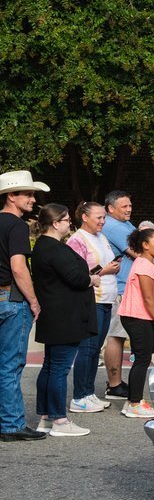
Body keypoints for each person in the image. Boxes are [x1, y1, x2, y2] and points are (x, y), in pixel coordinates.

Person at [30, 204, 97, 437]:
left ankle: (46, 416)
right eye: (67, 220)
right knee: (58, 368)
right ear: (56, 223)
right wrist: (93, 279)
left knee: (50, 366)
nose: (70, 223)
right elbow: (76, 278)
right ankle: (59, 419)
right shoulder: (54, 248)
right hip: (65, 315)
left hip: (54, 313)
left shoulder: (42, 247)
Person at [0, 170, 49, 442]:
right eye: (27, 194)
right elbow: (19, 268)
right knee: (9, 365)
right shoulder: (16, 226)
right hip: (11, 299)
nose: (32, 199)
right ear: (11, 196)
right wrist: (34, 301)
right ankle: (11, 425)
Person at [66, 202, 120, 413]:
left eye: (104, 217)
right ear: (84, 217)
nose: (102, 221)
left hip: (106, 298)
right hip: (91, 299)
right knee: (87, 349)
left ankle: (89, 392)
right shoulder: (77, 240)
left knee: (96, 348)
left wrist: (112, 267)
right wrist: (104, 270)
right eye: (98, 217)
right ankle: (79, 396)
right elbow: (77, 272)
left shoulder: (102, 237)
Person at [117, 228, 154, 419]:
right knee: (142, 359)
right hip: (138, 316)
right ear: (145, 245)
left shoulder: (149, 264)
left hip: (143, 316)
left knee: (143, 358)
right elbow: (147, 298)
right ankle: (134, 403)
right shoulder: (144, 266)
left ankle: (133, 400)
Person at [100, 190, 136, 401]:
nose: (129, 209)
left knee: (120, 335)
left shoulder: (124, 224)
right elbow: (138, 250)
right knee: (116, 335)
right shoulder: (113, 226)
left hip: (128, 287)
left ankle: (116, 383)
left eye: (130, 205)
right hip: (121, 289)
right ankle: (114, 384)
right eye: (124, 206)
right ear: (111, 209)